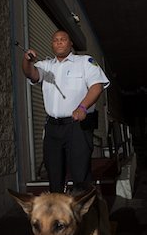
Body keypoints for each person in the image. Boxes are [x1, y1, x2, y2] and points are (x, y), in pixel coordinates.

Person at [22, 29, 110, 193]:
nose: (59, 41)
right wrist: (27, 61)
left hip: (77, 125)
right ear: (52, 45)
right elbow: (31, 74)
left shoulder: (85, 62)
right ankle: (59, 216)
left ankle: (83, 215)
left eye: (63, 39)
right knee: (54, 175)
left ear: (70, 44)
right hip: (53, 128)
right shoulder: (46, 66)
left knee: (80, 174)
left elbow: (97, 86)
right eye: (55, 39)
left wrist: (82, 107)